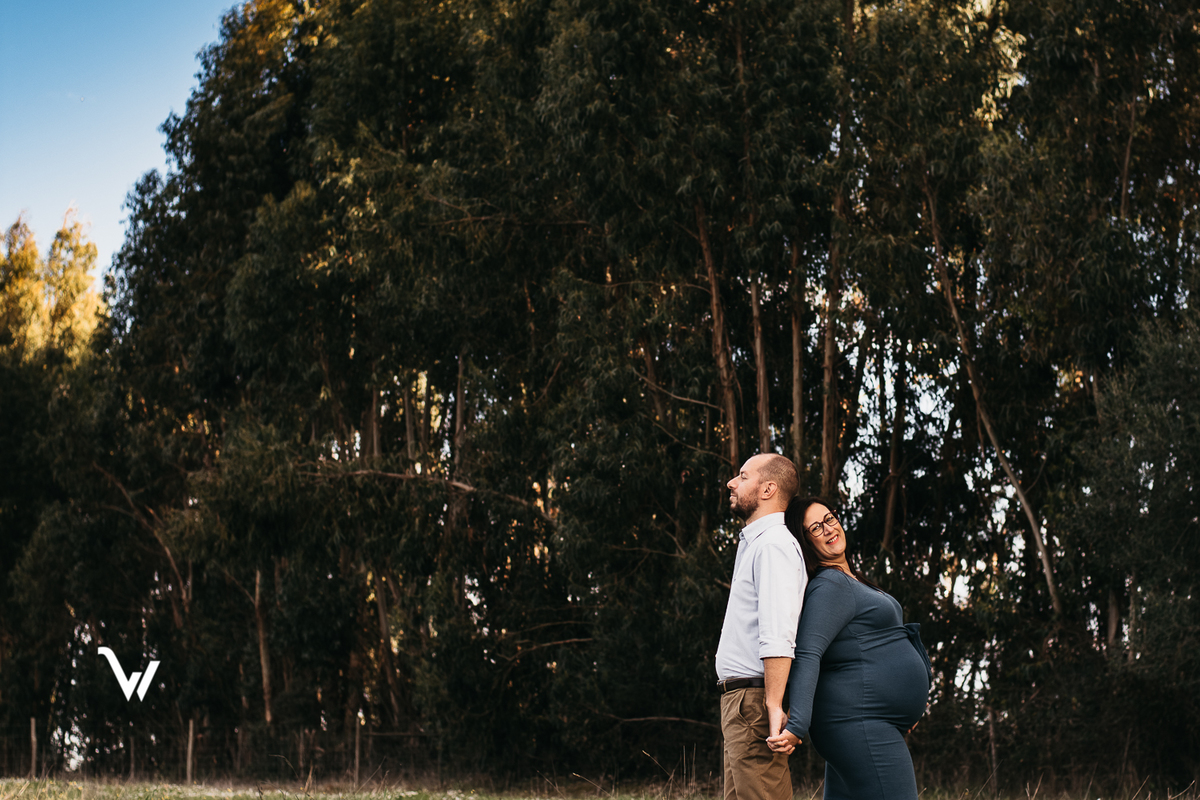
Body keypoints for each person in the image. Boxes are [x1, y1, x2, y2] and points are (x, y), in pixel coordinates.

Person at [766, 497, 931, 800]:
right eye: (816, 527)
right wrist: (798, 723)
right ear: (805, 542)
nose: (828, 529)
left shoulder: (849, 581)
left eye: (829, 518)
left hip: (863, 721)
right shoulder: (832, 585)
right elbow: (807, 653)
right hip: (860, 722)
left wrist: (911, 704)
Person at [715, 454, 807, 800]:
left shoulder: (774, 545)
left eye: (742, 476)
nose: (731, 483)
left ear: (768, 489)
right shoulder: (757, 543)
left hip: (753, 702)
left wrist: (773, 704)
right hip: (741, 702)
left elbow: (778, 632)